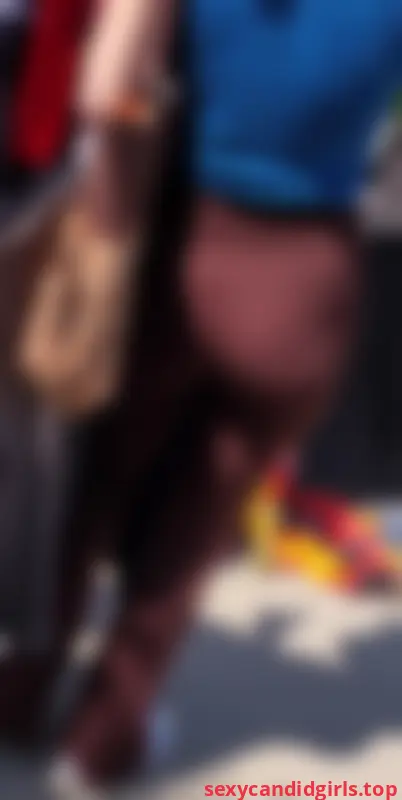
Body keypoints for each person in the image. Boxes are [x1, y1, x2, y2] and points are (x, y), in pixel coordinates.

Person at [1, 0, 402, 793]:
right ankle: (102, 741)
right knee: (196, 528)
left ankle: (21, 693)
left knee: (99, 487)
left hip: (187, 248)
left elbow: (113, 85)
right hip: (306, 280)